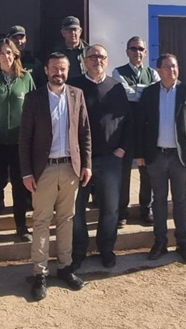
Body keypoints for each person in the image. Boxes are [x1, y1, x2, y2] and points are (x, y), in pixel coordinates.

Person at [19, 52, 92, 301]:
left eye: (62, 69)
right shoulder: (34, 98)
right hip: (44, 170)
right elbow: (24, 139)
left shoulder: (76, 94)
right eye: (54, 68)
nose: (58, 73)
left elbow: (85, 132)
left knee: (66, 219)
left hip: (70, 169)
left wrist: (86, 165)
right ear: (46, 70)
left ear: (67, 71)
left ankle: (65, 267)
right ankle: (39, 273)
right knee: (41, 221)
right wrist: (27, 172)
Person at [135, 53, 186, 264]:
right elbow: (140, 124)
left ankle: (183, 243)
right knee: (159, 201)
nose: (172, 70)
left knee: (180, 200)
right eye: (167, 67)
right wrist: (139, 153)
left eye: (174, 66)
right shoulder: (149, 93)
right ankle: (160, 242)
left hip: (179, 157)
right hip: (156, 155)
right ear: (158, 70)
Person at [67, 44, 131, 269]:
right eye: (92, 56)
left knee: (111, 209)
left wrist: (121, 150)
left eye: (102, 56)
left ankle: (106, 249)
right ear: (85, 61)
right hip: (79, 161)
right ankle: (79, 251)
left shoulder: (116, 88)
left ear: (107, 60)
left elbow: (127, 120)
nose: (97, 60)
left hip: (110, 160)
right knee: (76, 211)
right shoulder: (73, 86)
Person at [0, 38, 36, 244]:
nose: (6, 56)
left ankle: (21, 227)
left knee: (20, 186)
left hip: (19, 142)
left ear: (16, 55)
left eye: (10, 53)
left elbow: (34, 107)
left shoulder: (25, 78)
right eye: (2, 53)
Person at [111, 36, 160, 227]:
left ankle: (146, 209)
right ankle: (121, 212)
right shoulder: (118, 72)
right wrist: (146, 91)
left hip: (146, 131)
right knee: (123, 173)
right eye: (133, 48)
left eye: (140, 49)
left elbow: (155, 94)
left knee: (147, 172)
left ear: (145, 52)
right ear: (127, 51)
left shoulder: (152, 73)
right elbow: (126, 94)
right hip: (126, 129)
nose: (137, 52)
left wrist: (137, 90)